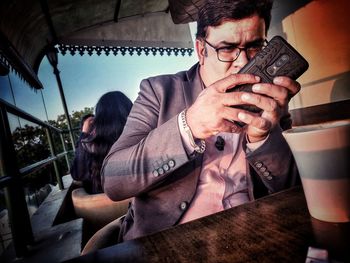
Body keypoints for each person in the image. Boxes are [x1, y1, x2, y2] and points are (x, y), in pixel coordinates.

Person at [101, 0, 300, 242]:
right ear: (201, 50)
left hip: (255, 235)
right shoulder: (159, 91)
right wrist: (190, 125)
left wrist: (263, 139)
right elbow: (114, 180)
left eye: (255, 46)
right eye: (227, 48)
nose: (242, 61)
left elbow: (292, 189)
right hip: (169, 244)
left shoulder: (268, 98)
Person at [70, 91, 133, 194]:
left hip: (105, 203)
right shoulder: (141, 135)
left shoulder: (92, 145)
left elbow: (78, 174)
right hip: (141, 199)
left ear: (100, 118)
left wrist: (84, 133)